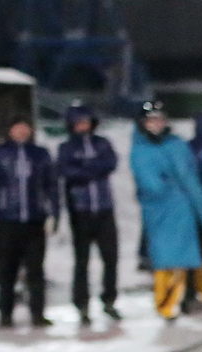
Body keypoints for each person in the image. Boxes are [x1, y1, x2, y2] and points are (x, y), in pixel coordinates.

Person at [129, 102, 202, 321]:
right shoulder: (142, 149)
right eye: (151, 121)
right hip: (162, 212)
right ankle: (166, 303)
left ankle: (180, 299)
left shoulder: (175, 145)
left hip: (184, 210)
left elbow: (189, 174)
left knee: (183, 259)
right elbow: (151, 183)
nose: (156, 124)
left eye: (159, 119)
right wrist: (173, 186)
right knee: (166, 259)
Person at [0, 115, 58, 328]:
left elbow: (51, 184)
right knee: (7, 270)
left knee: (35, 270)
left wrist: (53, 212)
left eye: (25, 127)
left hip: (34, 220)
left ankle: (38, 313)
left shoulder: (40, 154)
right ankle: (6, 314)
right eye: (17, 128)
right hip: (7, 220)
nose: (21, 132)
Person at [56, 104, 121, 326]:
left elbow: (110, 163)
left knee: (110, 257)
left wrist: (86, 168)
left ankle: (109, 299)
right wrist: (91, 169)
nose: (82, 126)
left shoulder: (102, 143)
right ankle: (81, 303)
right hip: (80, 210)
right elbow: (66, 171)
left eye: (85, 122)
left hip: (104, 208)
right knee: (82, 260)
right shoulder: (67, 147)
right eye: (78, 122)